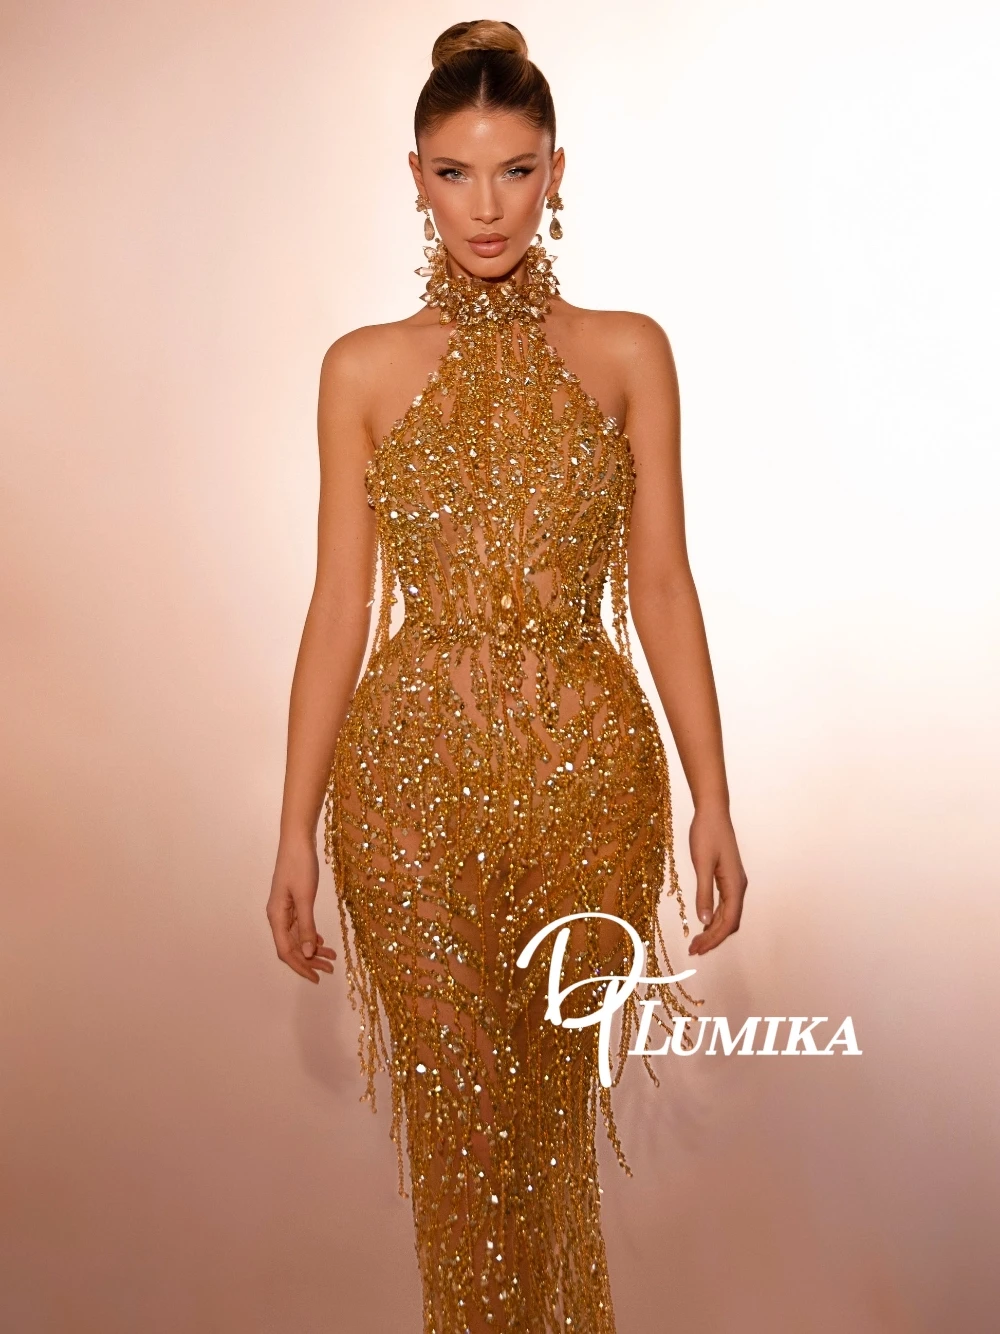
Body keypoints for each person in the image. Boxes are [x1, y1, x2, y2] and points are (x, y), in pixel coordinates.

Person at [266, 18, 748, 1333]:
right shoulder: (360, 369)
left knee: (542, 1146)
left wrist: (711, 797)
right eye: (456, 173)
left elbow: (661, 585)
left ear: (556, 173)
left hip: (590, 791)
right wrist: (295, 827)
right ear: (416, 177)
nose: (487, 206)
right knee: (465, 1151)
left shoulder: (629, 352)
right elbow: (339, 607)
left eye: (516, 171)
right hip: (405, 798)